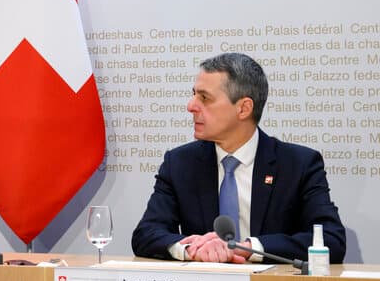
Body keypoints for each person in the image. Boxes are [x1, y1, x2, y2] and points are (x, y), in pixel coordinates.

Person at [131, 52, 346, 264]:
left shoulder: (299, 164)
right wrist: (192, 249)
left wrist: (249, 248)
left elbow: (331, 240)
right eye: (194, 94)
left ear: (243, 108)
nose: (191, 106)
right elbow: (146, 234)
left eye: (204, 98)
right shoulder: (180, 163)